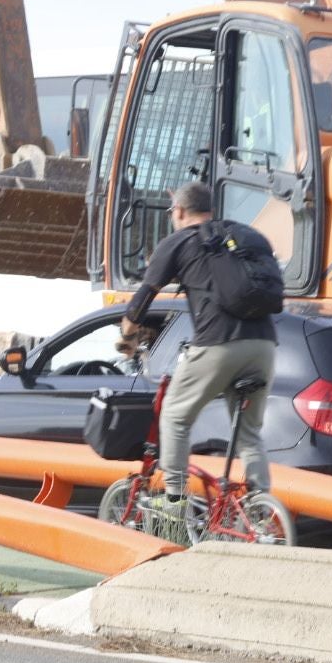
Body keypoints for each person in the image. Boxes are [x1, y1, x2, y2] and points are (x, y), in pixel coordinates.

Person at [120, 181, 278, 513]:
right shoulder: (245, 236)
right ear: (210, 209)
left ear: (178, 211)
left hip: (218, 344)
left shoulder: (178, 242)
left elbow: (142, 299)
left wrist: (127, 335)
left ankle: (174, 500)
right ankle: (260, 508)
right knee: (249, 432)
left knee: (175, 415)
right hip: (264, 344)